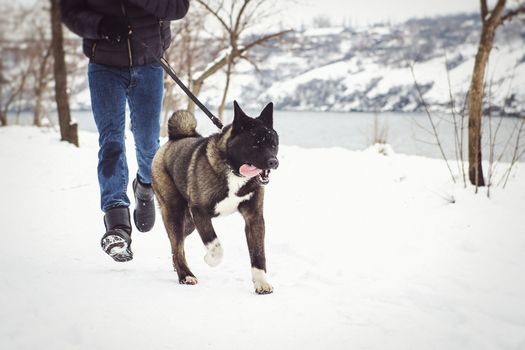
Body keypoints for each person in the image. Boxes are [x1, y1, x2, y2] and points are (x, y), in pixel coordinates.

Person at [61, 0, 190, 262]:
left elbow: (179, 7)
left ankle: (145, 186)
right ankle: (117, 224)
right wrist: (101, 25)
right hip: (104, 65)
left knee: (148, 144)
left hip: (150, 63)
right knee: (111, 143)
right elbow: (70, 12)